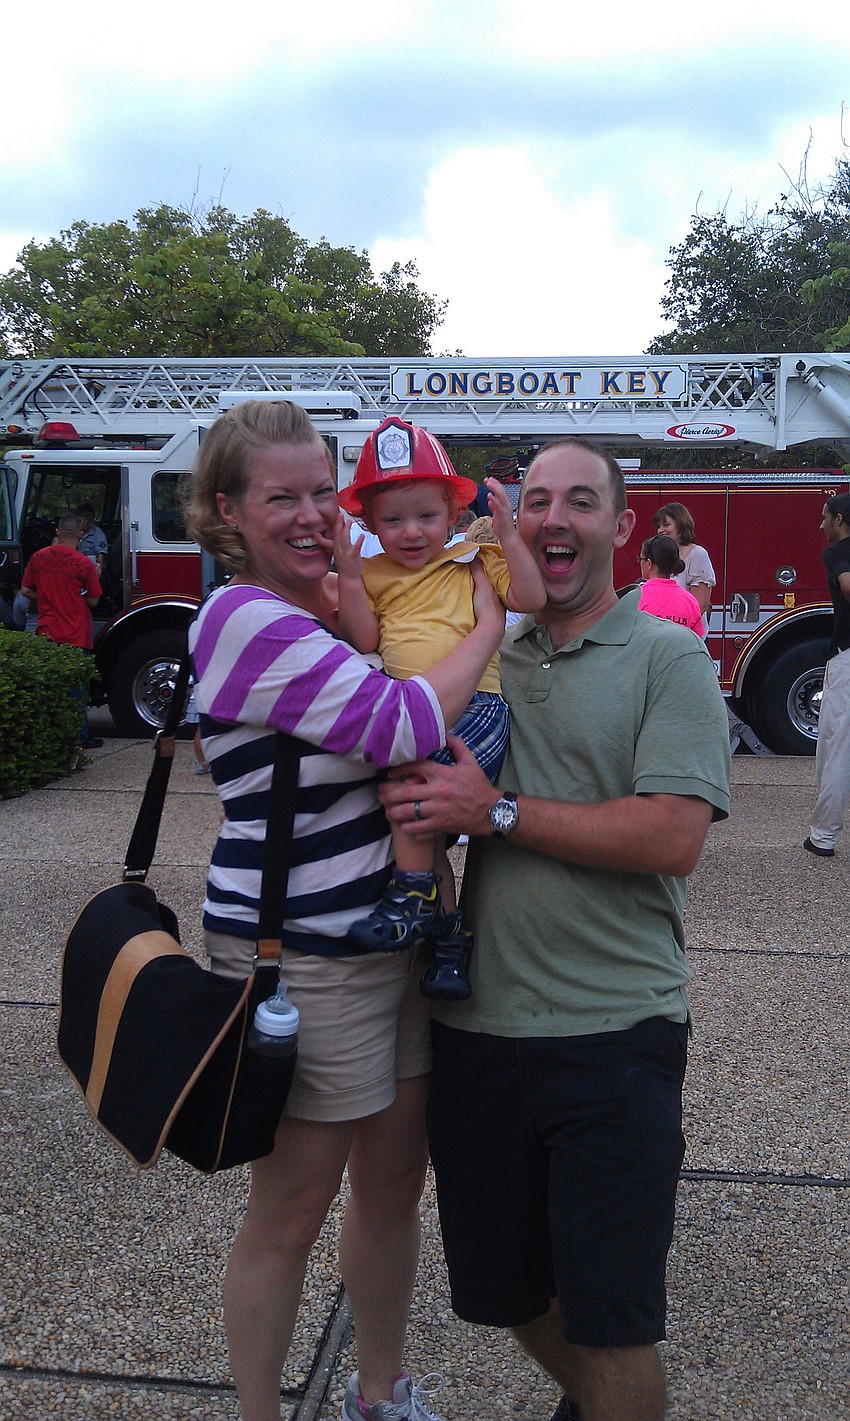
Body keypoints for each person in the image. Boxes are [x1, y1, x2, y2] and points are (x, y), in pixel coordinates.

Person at [380, 438, 731, 1421]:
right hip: (478, 1035)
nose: (554, 519)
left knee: (612, 1320)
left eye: (581, 501)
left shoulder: (669, 658)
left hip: (614, 1034)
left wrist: (494, 809)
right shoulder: (485, 651)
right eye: (535, 501)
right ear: (509, 523)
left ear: (623, 527)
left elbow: (671, 832)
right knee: (506, 1296)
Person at [182, 398, 505, 1421]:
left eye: (324, 490)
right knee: (291, 1206)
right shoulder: (242, 617)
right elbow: (402, 718)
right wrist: (491, 623)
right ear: (227, 508)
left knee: (395, 1181)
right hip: (302, 954)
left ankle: (378, 1388)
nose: (313, 513)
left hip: (390, 936)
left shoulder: (327, 606)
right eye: (283, 495)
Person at [334, 415, 545, 1000]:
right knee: (421, 822)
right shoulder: (373, 572)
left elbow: (529, 597)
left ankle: (409, 898)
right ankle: (449, 946)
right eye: (392, 520)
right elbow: (365, 639)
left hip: (476, 708)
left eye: (426, 516)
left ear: (454, 514)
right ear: (369, 522)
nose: (410, 532)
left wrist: (507, 534)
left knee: (408, 795)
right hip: (412, 711)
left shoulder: (477, 557)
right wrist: (350, 577)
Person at [19, 512, 103, 750]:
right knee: (77, 690)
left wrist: (46, 597)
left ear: (57, 533)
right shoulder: (84, 564)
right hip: (77, 633)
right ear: (80, 535)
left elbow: (25, 590)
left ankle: (50, 737)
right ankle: (80, 738)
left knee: (50, 688)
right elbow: (95, 601)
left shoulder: (39, 558)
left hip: (47, 631)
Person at [804, 492, 850, 857]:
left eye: (825, 518)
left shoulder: (837, 554)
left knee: (836, 746)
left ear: (840, 520)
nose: (821, 525)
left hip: (847, 657)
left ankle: (823, 837)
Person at [652, 502, 715, 638]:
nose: (660, 530)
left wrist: (677, 633)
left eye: (666, 525)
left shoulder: (697, 554)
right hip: (661, 636)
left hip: (688, 637)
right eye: (658, 526)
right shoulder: (661, 555)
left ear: (681, 524)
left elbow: (700, 605)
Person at [637, 535, 704, 636]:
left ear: (649, 563)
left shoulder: (636, 597)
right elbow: (697, 640)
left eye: (640, 559)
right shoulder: (690, 601)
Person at [75, 502, 109, 576]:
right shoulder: (74, 530)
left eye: (81, 522)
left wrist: (99, 569)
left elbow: (101, 554)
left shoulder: (98, 535)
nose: (79, 524)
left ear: (91, 522)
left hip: (89, 567)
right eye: (77, 521)